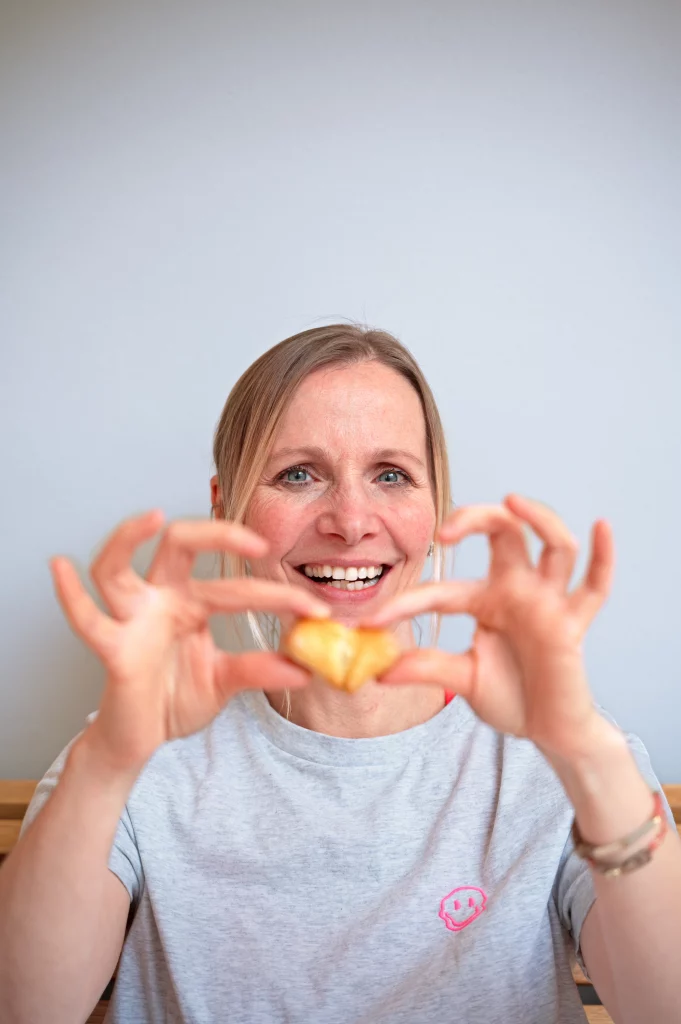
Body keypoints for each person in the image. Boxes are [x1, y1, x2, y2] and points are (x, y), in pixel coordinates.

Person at [0, 324, 679, 1024]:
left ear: (435, 506)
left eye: (391, 474)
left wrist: (582, 753)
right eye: (298, 473)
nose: (351, 522)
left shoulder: (560, 759)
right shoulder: (128, 754)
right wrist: (110, 761)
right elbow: (25, 1009)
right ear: (224, 502)